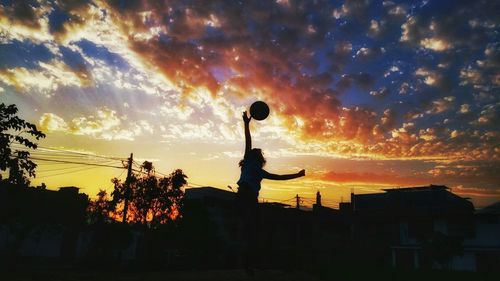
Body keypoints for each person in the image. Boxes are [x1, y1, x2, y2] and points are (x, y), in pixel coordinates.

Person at [236, 111, 305, 273]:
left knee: (253, 231)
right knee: (252, 230)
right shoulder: (248, 161)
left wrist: (297, 175)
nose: (257, 153)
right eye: (257, 152)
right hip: (245, 197)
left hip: (246, 198)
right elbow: (248, 140)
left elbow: (279, 177)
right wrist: (246, 124)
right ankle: (250, 264)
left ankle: (250, 263)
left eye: (258, 153)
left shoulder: (257, 170)